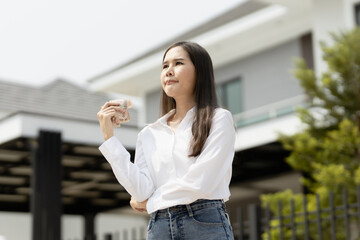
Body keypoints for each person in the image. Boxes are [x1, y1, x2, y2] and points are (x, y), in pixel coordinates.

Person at [97, 41, 235, 240]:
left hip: (204, 223)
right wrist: (109, 138)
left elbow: (200, 182)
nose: (169, 71)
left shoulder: (219, 119)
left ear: (200, 72)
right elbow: (141, 190)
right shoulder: (148, 134)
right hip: (159, 226)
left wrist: (152, 201)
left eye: (178, 63)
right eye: (165, 66)